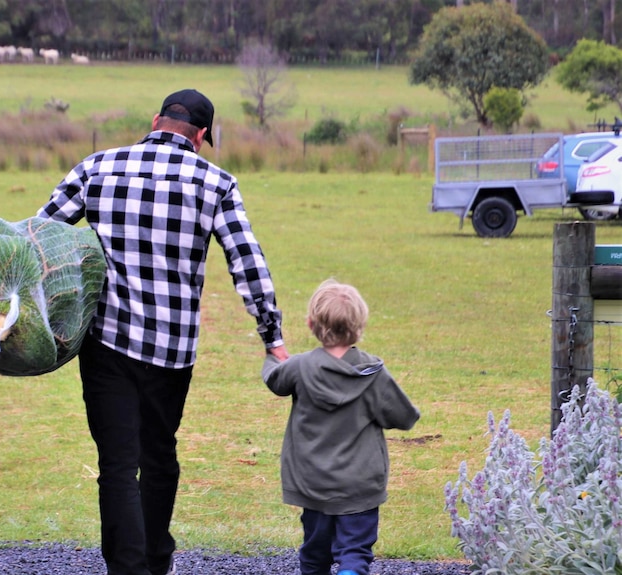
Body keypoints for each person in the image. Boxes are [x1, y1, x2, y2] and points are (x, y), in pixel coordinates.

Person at [36, 88, 288, 575]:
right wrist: (271, 335)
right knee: (159, 454)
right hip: (172, 353)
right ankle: (156, 560)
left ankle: (129, 569)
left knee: (116, 465)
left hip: (106, 342)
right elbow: (248, 263)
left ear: (155, 120)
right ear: (200, 136)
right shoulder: (216, 183)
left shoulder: (95, 167)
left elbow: (37, 238)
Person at [261, 279, 419, 575]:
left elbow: (275, 380)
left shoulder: (299, 368)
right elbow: (404, 417)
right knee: (354, 553)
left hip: (314, 483)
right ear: (360, 325)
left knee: (314, 553)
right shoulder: (372, 373)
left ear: (311, 324)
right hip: (360, 486)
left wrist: (273, 358)